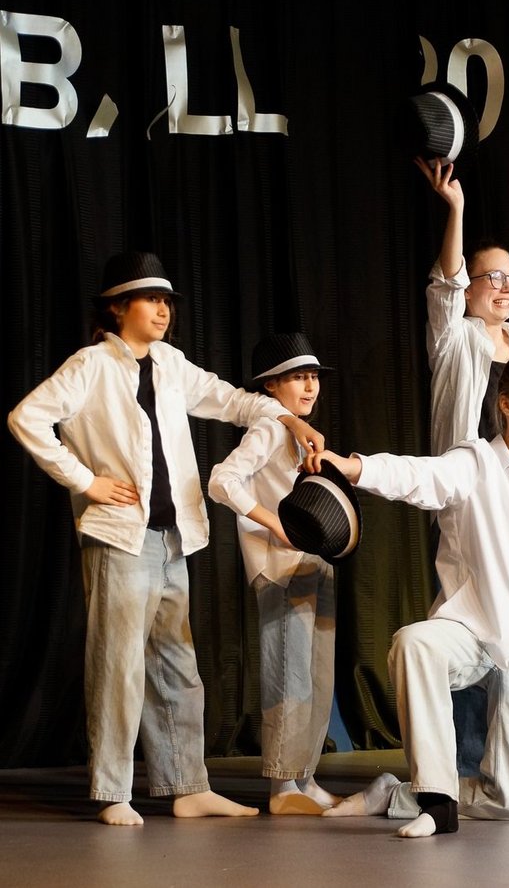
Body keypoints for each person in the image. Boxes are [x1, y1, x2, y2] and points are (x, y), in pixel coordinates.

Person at [8, 251, 325, 826]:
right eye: (150, 300)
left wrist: (288, 418)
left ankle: (186, 785)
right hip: (119, 538)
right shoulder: (91, 365)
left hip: (172, 534)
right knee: (119, 665)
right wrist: (85, 481)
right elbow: (27, 417)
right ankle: (112, 790)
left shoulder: (170, 364)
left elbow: (233, 400)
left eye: (166, 302)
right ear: (117, 307)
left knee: (177, 663)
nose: (162, 311)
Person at [318, 352, 509, 837]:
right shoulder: (475, 463)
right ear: (506, 404)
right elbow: (418, 476)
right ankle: (437, 802)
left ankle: (395, 795)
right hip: (477, 628)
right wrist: (355, 468)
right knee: (416, 644)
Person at [417, 157, 509, 775]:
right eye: (491, 277)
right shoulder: (456, 337)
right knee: (467, 617)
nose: (504, 286)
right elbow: (443, 288)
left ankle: (508, 757)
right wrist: (457, 210)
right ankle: (462, 762)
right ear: (470, 287)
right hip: (470, 492)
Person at [208, 332, 341, 814]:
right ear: (270, 386)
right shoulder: (267, 429)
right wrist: (273, 523)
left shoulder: (301, 432)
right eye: (297, 377)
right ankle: (282, 787)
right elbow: (221, 480)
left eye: (313, 377)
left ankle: (305, 778)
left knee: (318, 676)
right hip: (280, 566)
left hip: (313, 560)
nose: (309, 386)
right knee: (290, 673)